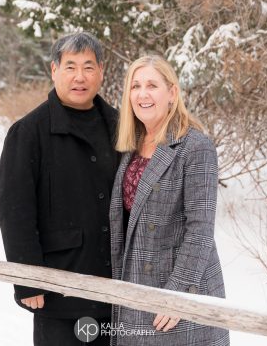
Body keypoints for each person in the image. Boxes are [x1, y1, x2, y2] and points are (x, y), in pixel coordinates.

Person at [0, 32, 118, 346]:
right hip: (60, 292)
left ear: (101, 71)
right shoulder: (28, 132)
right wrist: (28, 280)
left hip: (118, 294)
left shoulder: (120, 126)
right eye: (70, 67)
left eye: (88, 67)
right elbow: (16, 212)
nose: (80, 77)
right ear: (54, 70)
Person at [109, 56, 230, 345]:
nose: (142, 94)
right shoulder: (130, 145)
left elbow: (200, 230)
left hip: (178, 292)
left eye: (152, 85)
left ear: (172, 93)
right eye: (135, 86)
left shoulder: (196, 147)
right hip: (134, 284)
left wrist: (177, 295)